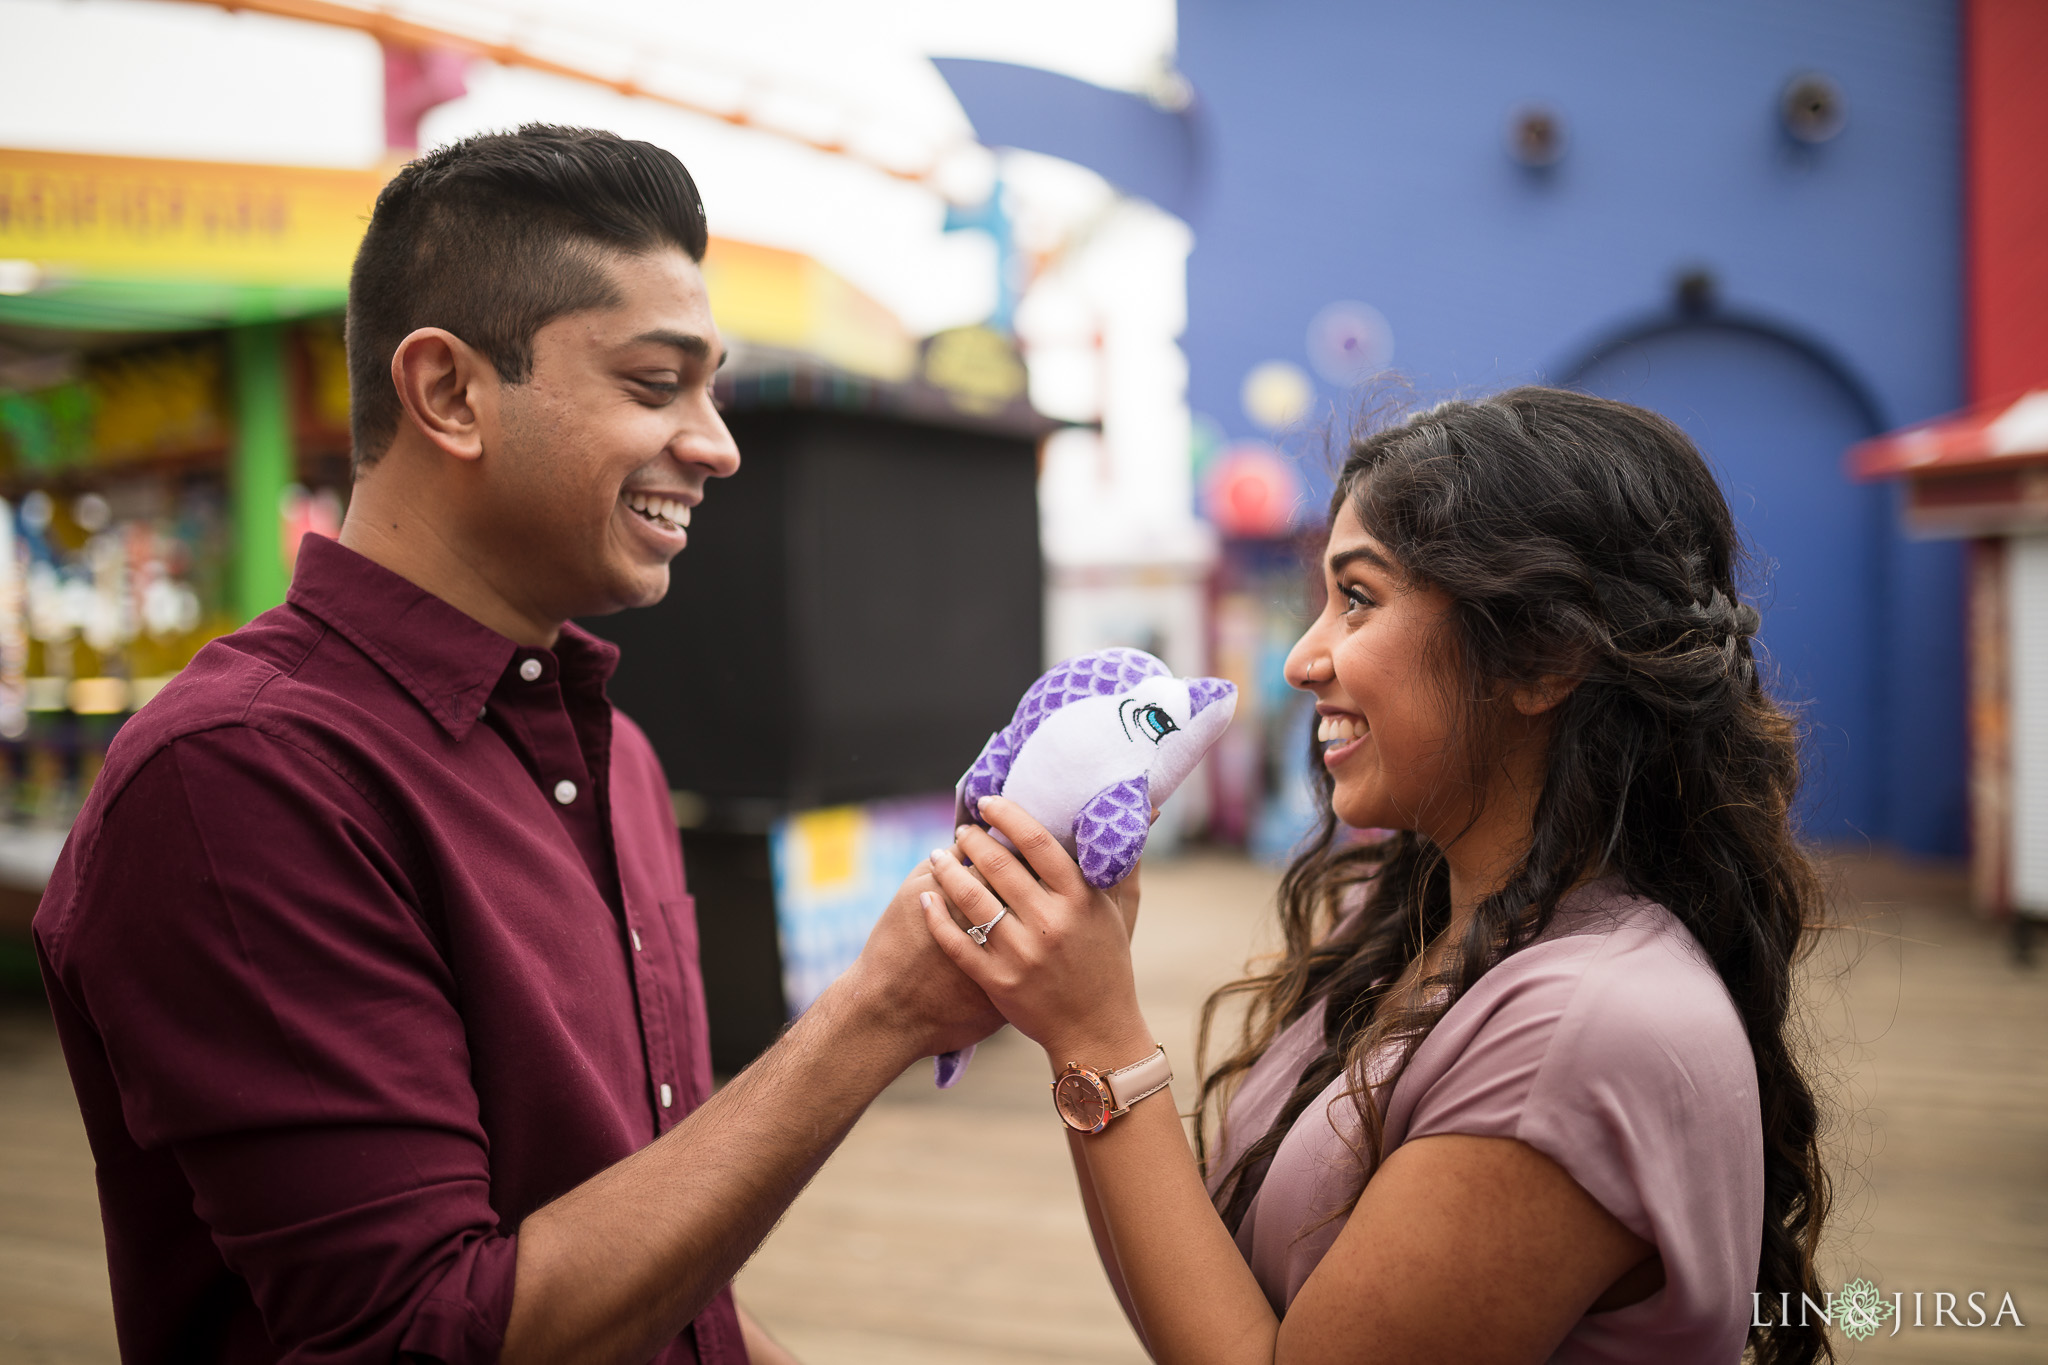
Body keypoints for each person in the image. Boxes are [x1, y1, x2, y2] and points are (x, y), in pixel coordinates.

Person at [33, 125, 997, 1365]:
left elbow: (649, 1248)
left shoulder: (618, 759)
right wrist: (871, 1015)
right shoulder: (240, 778)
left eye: (710, 386)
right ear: (447, 391)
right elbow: (426, 1336)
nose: (716, 443)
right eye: (656, 385)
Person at [923, 387, 1834, 1365]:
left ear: (1545, 653)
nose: (1302, 659)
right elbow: (1214, 1305)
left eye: (1356, 597)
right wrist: (1081, 1025)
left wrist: (1097, 1037)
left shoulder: (1583, 1031)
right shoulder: (1412, 921)